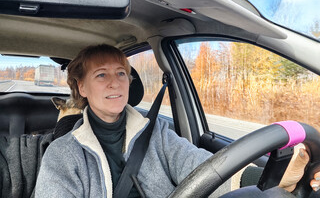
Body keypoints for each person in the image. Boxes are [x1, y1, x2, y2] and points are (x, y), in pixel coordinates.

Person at [35, 44, 320, 197]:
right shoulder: (63, 154)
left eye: (121, 73)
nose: (115, 83)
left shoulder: (155, 131)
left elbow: (202, 168)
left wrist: (273, 178)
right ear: (81, 88)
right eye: (101, 75)